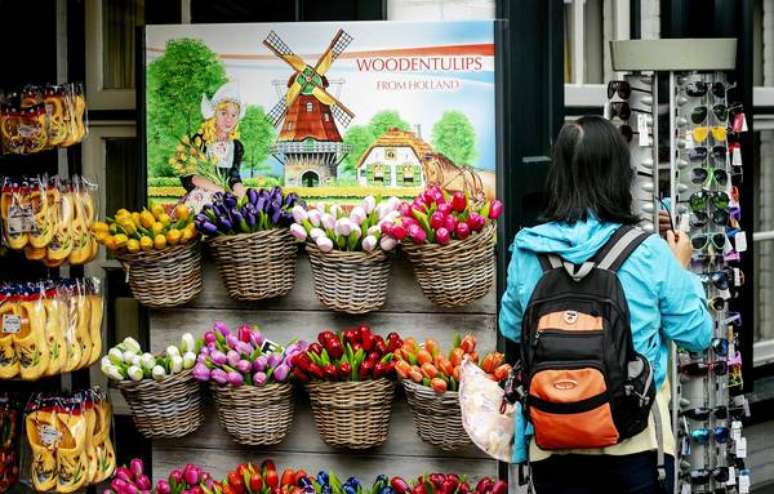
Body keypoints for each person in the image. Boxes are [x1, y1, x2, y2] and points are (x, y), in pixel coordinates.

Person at [499, 115, 712, 494]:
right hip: (635, 442)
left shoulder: (529, 250)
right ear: (619, 174)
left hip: (552, 442)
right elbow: (698, 333)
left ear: (559, 173)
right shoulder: (647, 251)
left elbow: (512, 328)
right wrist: (681, 267)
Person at [179, 81, 246, 210]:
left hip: (226, 196)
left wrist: (241, 196)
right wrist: (221, 191)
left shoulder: (236, 146)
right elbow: (191, 177)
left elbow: (234, 177)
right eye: (224, 113)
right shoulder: (200, 140)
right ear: (213, 114)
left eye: (234, 115)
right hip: (202, 196)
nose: (229, 119)